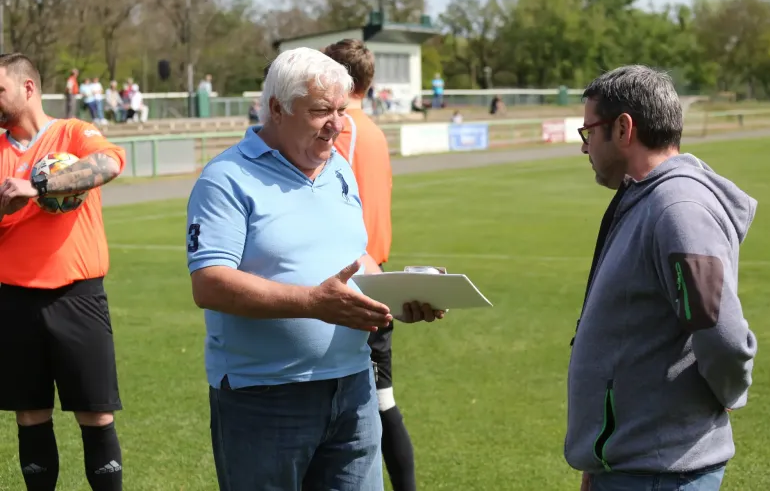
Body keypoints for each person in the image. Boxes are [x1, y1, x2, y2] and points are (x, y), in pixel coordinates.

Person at [185, 46, 444, 491]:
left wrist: (397, 296)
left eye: (341, 110)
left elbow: (355, 257)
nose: (337, 125)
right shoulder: (225, 179)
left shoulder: (338, 167)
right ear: (277, 109)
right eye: (322, 110)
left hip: (354, 387)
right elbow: (210, 284)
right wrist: (312, 303)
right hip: (265, 396)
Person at [566, 64, 758, 491]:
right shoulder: (647, 198)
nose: (585, 148)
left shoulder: (678, 209)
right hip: (634, 465)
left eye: (588, 132)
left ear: (622, 128)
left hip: (660, 473)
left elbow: (720, 335)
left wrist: (726, 392)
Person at [0, 52, 127, 491]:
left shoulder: (72, 133)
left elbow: (109, 164)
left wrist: (37, 187)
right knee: (30, 414)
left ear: (27, 88)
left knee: (95, 412)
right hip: (14, 300)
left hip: (78, 296)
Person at [323, 39, 415, 491]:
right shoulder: (371, 129)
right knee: (377, 401)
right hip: (370, 270)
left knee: (377, 404)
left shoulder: (344, 131)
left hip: (354, 279)